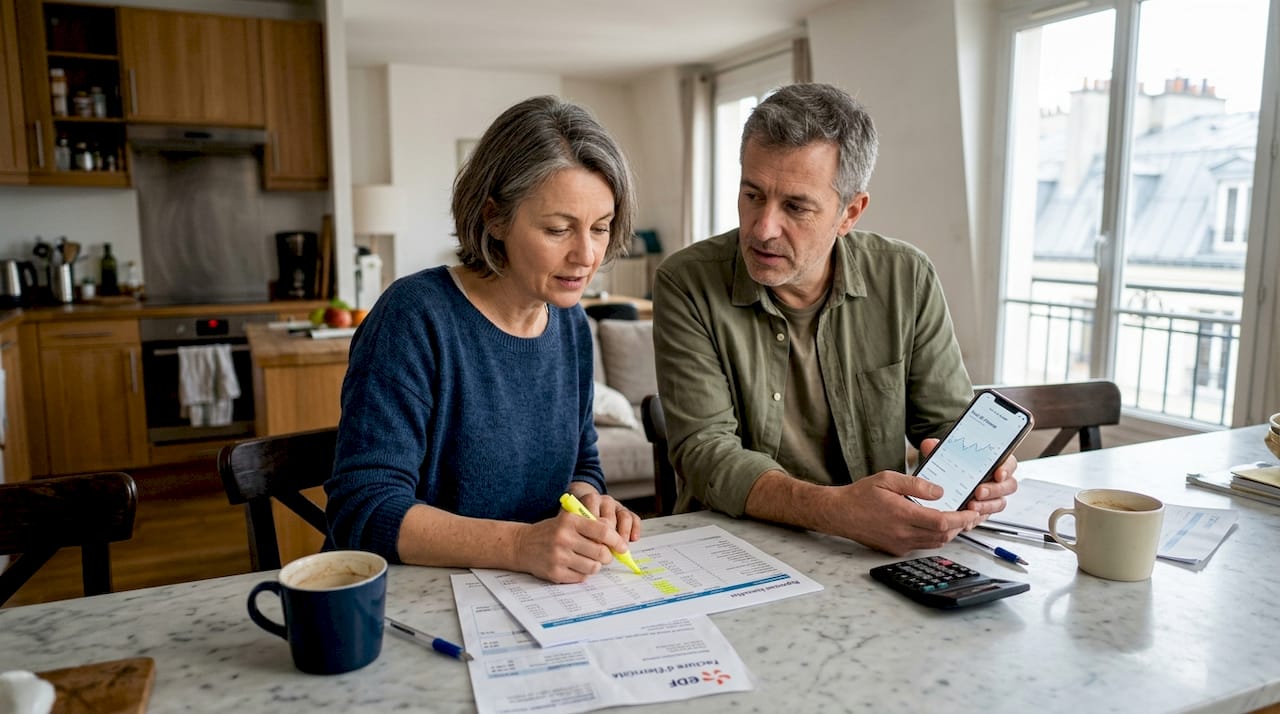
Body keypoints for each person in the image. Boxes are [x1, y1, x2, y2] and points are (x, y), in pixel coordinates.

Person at [652, 83, 1017, 556]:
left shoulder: (906, 276)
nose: (762, 228)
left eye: (796, 207)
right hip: (730, 548)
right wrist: (836, 511)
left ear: (850, 213)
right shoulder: (686, 281)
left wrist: (978, 471)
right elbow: (705, 453)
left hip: (873, 549)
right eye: (752, 195)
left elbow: (944, 424)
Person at [327, 95, 641, 583]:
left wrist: (589, 503)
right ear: (494, 218)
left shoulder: (571, 322)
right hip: (417, 598)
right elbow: (363, 510)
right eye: (559, 229)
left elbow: (582, 462)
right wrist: (520, 544)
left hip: (527, 594)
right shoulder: (414, 317)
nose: (587, 255)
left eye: (600, 228)